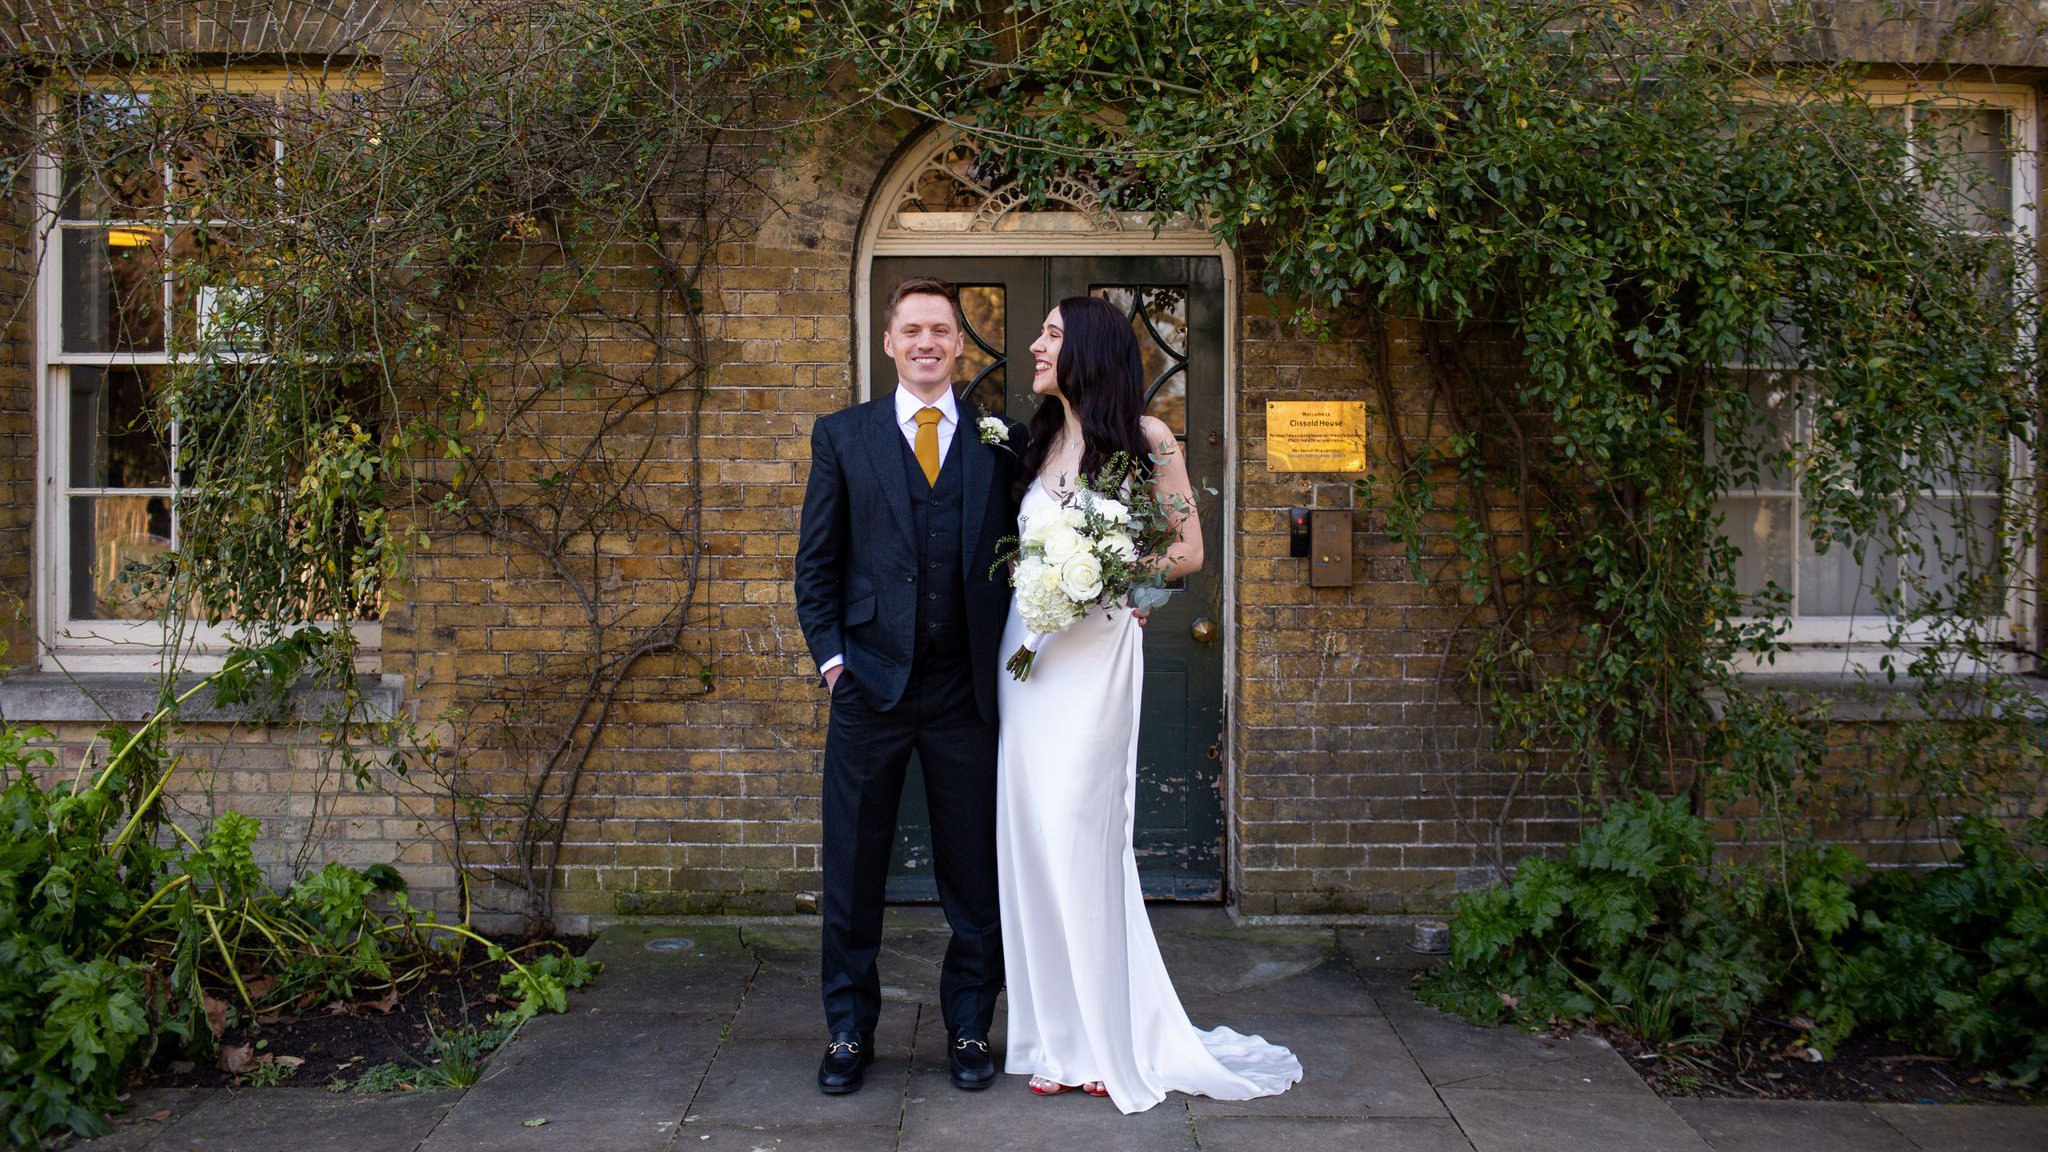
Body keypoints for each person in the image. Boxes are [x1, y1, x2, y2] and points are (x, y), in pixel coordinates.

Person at [996, 296, 1303, 1113]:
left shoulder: (1146, 440)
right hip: (1026, 660)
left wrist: (1112, 568)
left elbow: (1189, 551)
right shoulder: (1037, 440)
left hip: (1096, 658)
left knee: (1080, 836)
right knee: (1028, 837)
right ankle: (1052, 1037)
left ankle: (1107, 1037)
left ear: (1089, 348)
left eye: (1052, 334)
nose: (1035, 344)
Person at [794, 276, 1026, 1096]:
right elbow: (815, 565)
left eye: (942, 330)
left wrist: (1117, 596)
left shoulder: (1004, 444)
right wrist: (833, 661)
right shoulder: (844, 436)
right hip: (870, 691)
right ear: (889, 344)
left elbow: (1047, 540)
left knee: (975, 874)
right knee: (853, 872)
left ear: (961, 345)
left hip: (968, 693)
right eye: (913, 330)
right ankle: (849, 1032)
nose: (927, 342)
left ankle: (969, 1026)